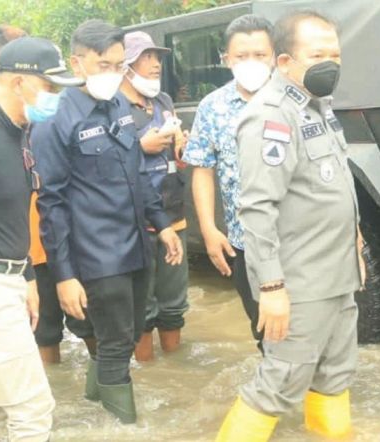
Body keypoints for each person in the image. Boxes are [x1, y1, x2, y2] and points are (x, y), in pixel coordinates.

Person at [216, 11, 366, 441]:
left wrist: (355, 247)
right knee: (280, 383)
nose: (330, 63)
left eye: (335, 53)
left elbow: (335, 189)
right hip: (300, 282)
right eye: (317, 54)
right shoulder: (270, 116)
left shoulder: (317, 107)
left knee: (336, 374)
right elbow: (257, 208)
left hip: (337, 275)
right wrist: (271, 288)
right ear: (284, 62)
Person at [31, 19, 183, 424]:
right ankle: (127, 427)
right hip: (96, 252)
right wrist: (64, 275)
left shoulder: (118, 105)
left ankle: (94, 402)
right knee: (116, 341)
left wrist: (162, 224)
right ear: (77, 62)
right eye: (103, 65)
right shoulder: (55, 119)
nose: (112, 74)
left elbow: (136, 174)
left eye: (118, 65)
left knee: (133, 332)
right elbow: (52, 203)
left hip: (135, 242)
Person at [0, 36, 83, 441]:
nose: (56, 98)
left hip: (8, 275)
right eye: (50, 87)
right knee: (31, 408)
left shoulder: (19, 129)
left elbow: (11, 212)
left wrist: (26, 275)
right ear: (17, 83)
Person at [182, 14, 275, 352]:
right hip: (245, 244)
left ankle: (317, 397)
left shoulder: (294, 99)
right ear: (226, 60)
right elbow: (203, 169)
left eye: (259, 54)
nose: (250, 62)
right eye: (241, 56)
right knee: (267, 333)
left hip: (301, 241)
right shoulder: (214, 107)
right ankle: (280, 397)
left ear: (276, 57)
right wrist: (208, 229)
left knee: (314, 333)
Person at [119, 30, 190, 360]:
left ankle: (173, 371)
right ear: (126, 64)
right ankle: (147, 373)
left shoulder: (163, 101)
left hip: (173, 212)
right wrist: (139, 146)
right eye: (146, 57)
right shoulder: (113, 105)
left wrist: (181, 148)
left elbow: (176, 159)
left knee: (174, 302)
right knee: (141, 308)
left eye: (157, 57)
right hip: (135, 221)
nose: (155, 64)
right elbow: (102, 162)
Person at [30, 196, 97, 364]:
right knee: (43, 332)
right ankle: (51, 385)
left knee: (88, 321)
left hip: (75, 247)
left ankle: (104, 375)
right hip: (33, 251)